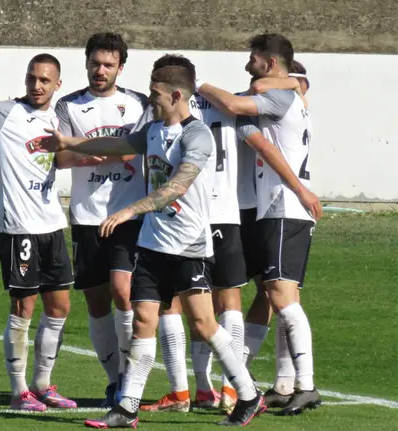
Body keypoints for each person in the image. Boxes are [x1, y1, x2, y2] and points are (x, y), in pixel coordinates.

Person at [36, 61, 264, 428]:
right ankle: (126, 409)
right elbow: (119, 143)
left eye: (156, 94)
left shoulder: (197, 136)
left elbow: (177, 186)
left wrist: (129, 210)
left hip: (188, 247)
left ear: (176, 95)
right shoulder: (154, 129)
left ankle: (249, 395)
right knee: (143, 320)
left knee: (205, 324)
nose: (151, 100)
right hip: (152, 245)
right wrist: (69, 143)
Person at [196, 33, 323, 415]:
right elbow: (291, 86)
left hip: (285, 205)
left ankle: (307, 385)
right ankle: (284, 383)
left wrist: (196, 84)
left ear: (269, 64)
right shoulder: (291, 97)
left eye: (253, 58)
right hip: (277, 208)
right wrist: (295, 81)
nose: (247, 64)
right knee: (279, 296)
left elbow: (240, 106)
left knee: (282, 297)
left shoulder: (280, 98)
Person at [0, 33, 77, 411]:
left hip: (52, 226)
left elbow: (60, 165)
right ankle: (18, 390)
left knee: (59, 307)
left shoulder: (59, 119)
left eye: (44, 80)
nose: (37, 85)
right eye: (32, 78)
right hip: (18, 229)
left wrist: (67, 150)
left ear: (58, 84)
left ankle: (42, 384)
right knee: (23, 308)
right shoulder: (8, 113)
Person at [54, 32, 150, 407]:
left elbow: (136, 152)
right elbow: (59, 157)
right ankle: (114, 380)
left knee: (124, 293)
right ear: (87, 64)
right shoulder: (69, 106)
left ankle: (131, 380)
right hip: (86, 216)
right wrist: (85, 157)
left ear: (120, 68)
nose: (100, 70)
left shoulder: (139, 104)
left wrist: (103, 152)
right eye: (95, 63)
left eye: (108, 65)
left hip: (127, 213)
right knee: (96, 301)